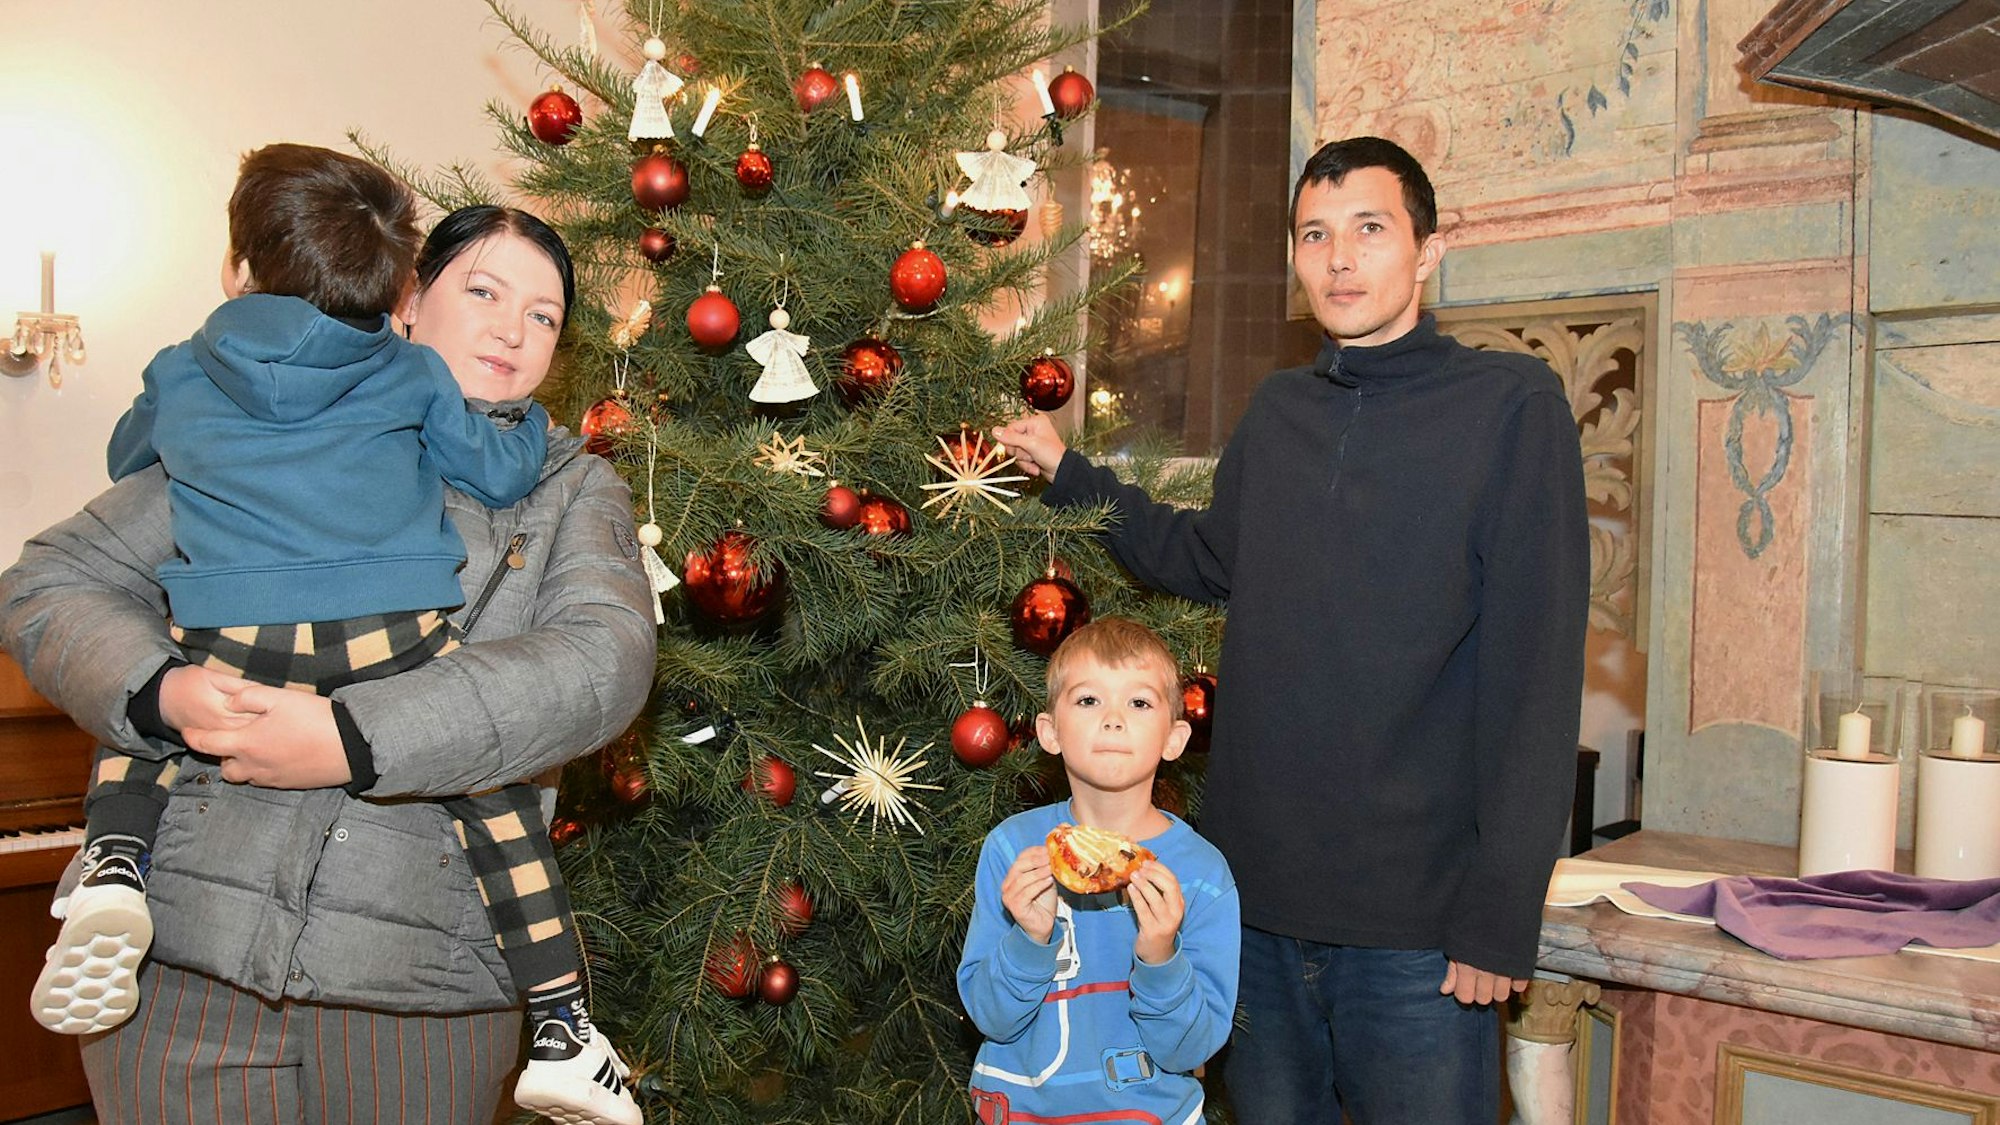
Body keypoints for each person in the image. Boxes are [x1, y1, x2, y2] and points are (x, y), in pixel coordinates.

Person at [0, 202, 657, 1125]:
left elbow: (601, 662)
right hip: (180, 958)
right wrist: (162, 690)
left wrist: (357, 735)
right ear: (407, 300)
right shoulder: (260, 427)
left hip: (422, 990)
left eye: (543, 315)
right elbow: (47, 584)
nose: (513, 329)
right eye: (483, 291)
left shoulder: (571, 485)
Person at [994, 136, 1589, 1124]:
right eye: (1314, 235)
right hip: (1252, 907)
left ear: (1428, 250)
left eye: (1369, 229)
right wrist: (1070, 474)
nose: (1339, 259)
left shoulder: (1510, 406)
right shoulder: (1279, 411)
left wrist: (1502, 908)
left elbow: (1537, 671)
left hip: (1417, 928)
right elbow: (1204, 556)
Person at [957, 617, 1240, 1125]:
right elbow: (992, 1019)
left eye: (1139, 703)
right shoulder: (1014, 850)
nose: (1113, 719)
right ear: (1050, 732)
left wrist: (1160, 957)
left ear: (1175, 739)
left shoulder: (1202, 874)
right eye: (1089, 700)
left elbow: (1190, 1050)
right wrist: (1029, 938)